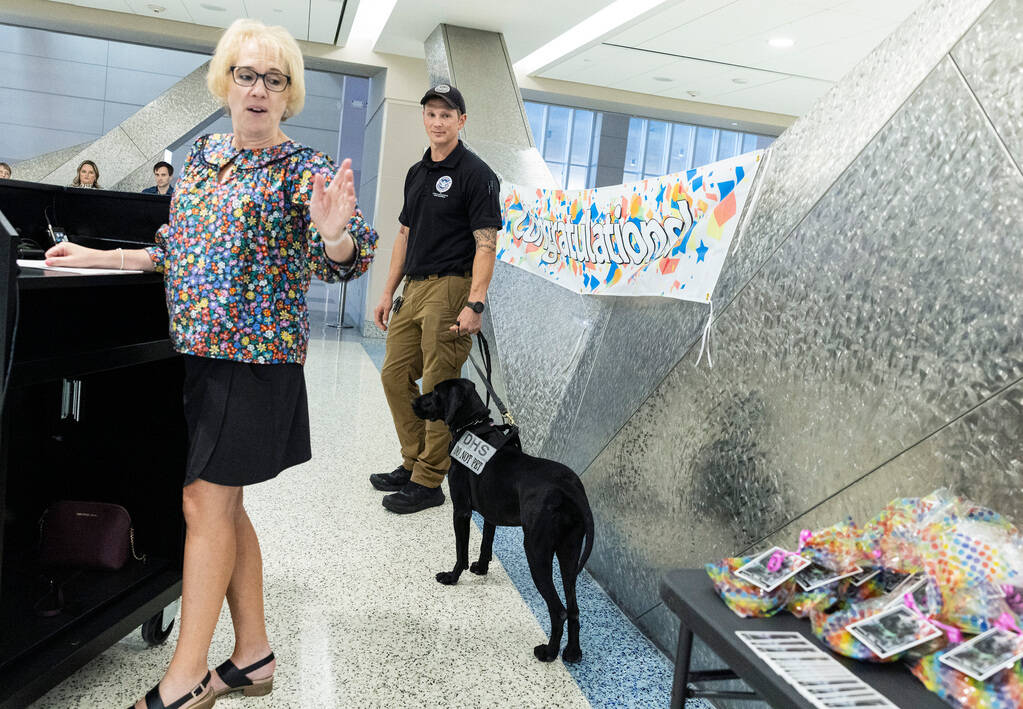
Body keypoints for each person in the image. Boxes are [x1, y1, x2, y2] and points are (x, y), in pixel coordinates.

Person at [44, 18, 377, 709]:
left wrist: (339, 237)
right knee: (224, 506)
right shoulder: (200, 160)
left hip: (254, 361)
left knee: (203, 502)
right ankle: (252, 654)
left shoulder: (302, 170)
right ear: (225, 83)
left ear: (289, 94)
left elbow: (347, 254)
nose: (258, 89)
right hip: (198, 356)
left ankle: (187, 674)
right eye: (246, 75)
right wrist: (99, 256)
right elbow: (172, 247)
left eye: (274, 78)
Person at [371, 83, 502, 515]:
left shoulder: (476, 174)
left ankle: (429, 480)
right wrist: (388, 290)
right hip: (414, 287)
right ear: (424, 119)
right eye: (431, 113)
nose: (438, 121)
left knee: (438, 384)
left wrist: (475, 303)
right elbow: (404, 236)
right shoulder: (416, 173)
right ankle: (414, 462)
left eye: (447, 114)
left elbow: (486, 243)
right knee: (394, 375)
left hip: (451, 288)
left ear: (461, 121)